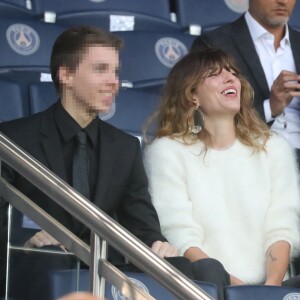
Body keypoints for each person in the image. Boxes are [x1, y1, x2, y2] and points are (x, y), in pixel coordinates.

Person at [0, 26, 229, 300]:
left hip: (105, 266)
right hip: (40, 265)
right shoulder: (13, 138)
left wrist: (159, 245)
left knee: (181, 267)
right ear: (66, 75)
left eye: (116, 72)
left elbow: (142, 226)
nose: (113, 82)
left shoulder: (124, 147)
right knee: (51, 260)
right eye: (101, 69)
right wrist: (25, 239)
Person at [143, 48, 300, 295]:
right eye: (214, 74)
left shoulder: (273, 146)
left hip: (272, 286)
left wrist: (269, 290)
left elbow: (282, 226)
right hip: (207, 286)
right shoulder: (168, 151)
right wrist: (240, 292)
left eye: (232, 72)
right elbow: (181, 235)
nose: (230, 78)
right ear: (192, 96)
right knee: (209, 270)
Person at [191, 0, 300, 170]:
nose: (282, 1)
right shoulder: (213, 44)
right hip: (249, 158)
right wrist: (270, 107)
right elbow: (203, 119)